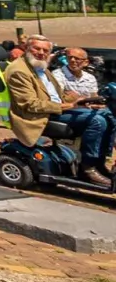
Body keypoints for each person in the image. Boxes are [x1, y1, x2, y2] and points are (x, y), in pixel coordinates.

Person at [6, 36, 111, 185]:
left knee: (107, 114)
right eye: (37, 48)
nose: (41, 53)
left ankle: (99, 162)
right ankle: (87, 168)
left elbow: (58, 96)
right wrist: (70, 106)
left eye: (46, 50)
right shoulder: (19, 71)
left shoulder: (40, 67)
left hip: (55, 111)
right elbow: (30, 104)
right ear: (27, 49)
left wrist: (85, 101)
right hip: (38, 116)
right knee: (96, 121)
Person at [52, 47, 113, 172]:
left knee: (110, 115)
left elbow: (94, 99)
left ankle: (102, 158)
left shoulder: (89, 78)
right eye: (70, 58)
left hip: (82, 110)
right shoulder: (58, 75)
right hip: (64, 111)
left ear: (86, 62)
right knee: (98, 120)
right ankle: (88, 164)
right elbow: (64, 100)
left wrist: (82, 99)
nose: (73, 61)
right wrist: (84, 101)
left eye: (78, 59)